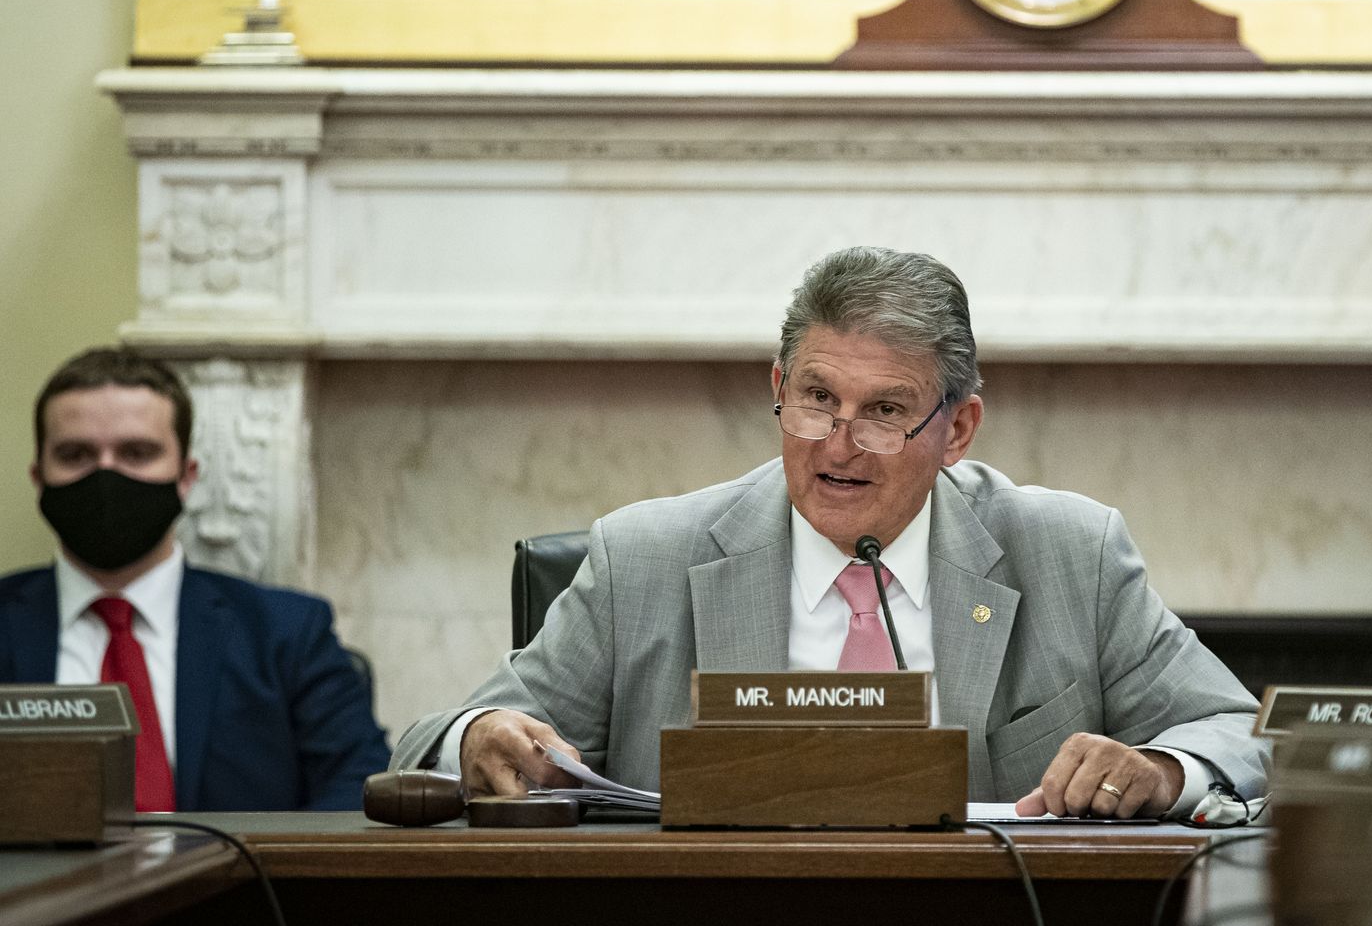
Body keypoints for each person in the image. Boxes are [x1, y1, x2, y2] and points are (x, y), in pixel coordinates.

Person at [394, 247, 1268, 818]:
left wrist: (1158, 770)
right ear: (779, 386)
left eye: (886, 411)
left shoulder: (1069, 553)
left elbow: (1237, 731)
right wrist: (477, 736)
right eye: (817, 400)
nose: (839, 445)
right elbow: (436, 739)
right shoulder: (646, 559)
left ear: (957, 429)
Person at [0, 347, 391, 811]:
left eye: (137, 452)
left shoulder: (287, 632)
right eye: (76, 454)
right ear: (39, 476)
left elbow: (360, 788)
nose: (105, 474)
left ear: (186, 477)